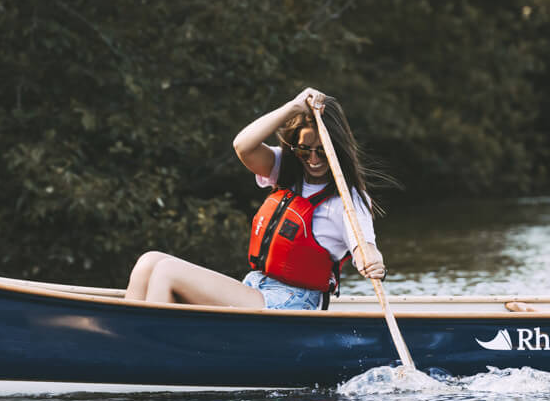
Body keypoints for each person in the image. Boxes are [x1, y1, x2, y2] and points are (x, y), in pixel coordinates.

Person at [124, 87, 386, 311]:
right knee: (150, 261)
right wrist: (293, 106)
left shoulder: (349, 200)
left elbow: (364, 246)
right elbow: (243, 145)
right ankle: (127, 341)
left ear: (336, 149)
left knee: (168, 271)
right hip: (256, 286)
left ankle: (148, 350)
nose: (313, 160)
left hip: (292, 302)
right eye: (305, 150)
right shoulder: (286, 170)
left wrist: (372, 261)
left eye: (322, 152)